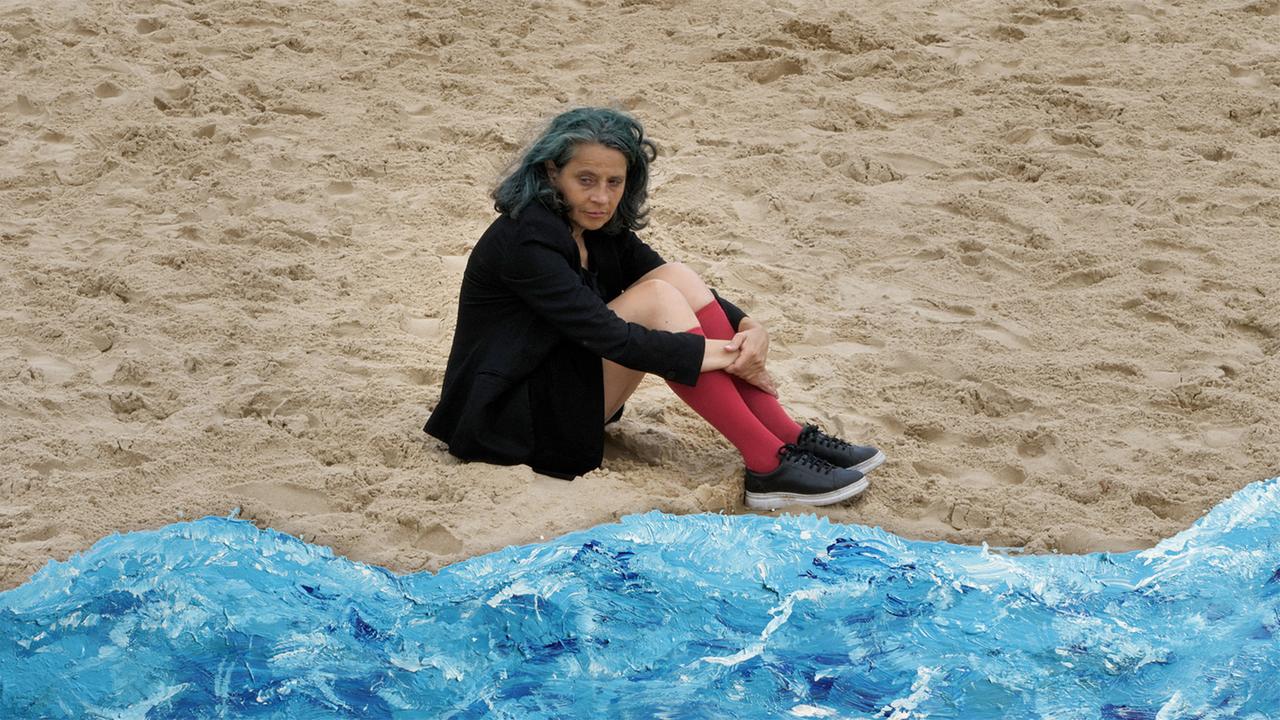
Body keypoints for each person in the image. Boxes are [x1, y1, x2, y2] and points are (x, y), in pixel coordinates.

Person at [424, 107, 885, 509]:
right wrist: (726, 354)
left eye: (613, 182)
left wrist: (749, 327)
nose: (601, 197)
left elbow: (668, 275)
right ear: (550, 173)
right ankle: (767, 464)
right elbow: (608, 336)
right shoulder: (527, 238)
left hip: (561, 390)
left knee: (674, 278)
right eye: (585, 180)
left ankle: (785, 436)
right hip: (507, 423)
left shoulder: (597, 227)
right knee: (659, 299)